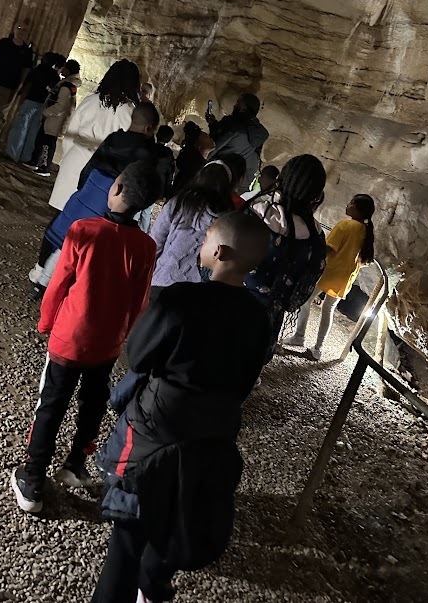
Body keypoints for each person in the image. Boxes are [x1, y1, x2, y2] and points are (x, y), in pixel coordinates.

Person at [91, 212, 271, 603]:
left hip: (159, 423)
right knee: (181, 504)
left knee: (130, 526)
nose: (202, 243)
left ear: (219, 251)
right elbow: (247, 379)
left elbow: (138, 356)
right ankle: (153, 586)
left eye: (206, 238)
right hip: (215, 428)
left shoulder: (181, 298)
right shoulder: (261, 317)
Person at [11, 162, 163, 514]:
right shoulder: (144, 246)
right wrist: (123, 333)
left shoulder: (83, 230)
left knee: (51, 405)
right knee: (93, 402)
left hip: (69, 340)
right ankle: (75, 464)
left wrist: (47, 322)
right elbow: (140, 300)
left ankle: (32, 479)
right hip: (107, 344)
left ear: (118, 190)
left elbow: (58, 284)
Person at [29, 103, 162, 295]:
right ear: (149, 128)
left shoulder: (114, 137)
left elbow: (90, 167)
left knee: (60, 234)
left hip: (89, 189)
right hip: (109, 201)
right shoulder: (148, 153)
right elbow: (139, 184)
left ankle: (40, 278)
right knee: (80, 247)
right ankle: (54, 288)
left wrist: (82, 190)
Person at [245, 154, 327, 361]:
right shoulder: (315, 236)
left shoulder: (258, 212)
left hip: (233, 300)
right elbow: (305, 284)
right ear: (316, 195)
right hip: (270, 315)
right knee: (252, 360)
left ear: (282, 181)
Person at [284, 194, 376, 360]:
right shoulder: (366, 232)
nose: (348, 204)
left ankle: (299, 336)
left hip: (329, 271)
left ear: (358, 209)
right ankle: (318, 348)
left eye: (352, 202)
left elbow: (329, 249)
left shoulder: (345, 225)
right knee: (329, 309)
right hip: (345, 278)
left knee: (306, 300)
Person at [49, 59, 141, 211]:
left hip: (75, 158)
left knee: (63, 211)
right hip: (102, 170)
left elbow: (71, 132)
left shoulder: (91, 100)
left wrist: (66, 158)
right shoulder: (130, 111)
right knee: (85, 217)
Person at [150, 161, 235, 287]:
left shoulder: (178, 203)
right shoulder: (227, 220)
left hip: (162, 278)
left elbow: (155, 241)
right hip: (195, 290)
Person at [5, 53, 65, 163]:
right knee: (33, 131)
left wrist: (21, 100)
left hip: (31, 101)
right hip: (42, 105)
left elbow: (29, 85)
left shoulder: (38, 70)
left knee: (21, 127)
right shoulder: (55, 77)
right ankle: (26, 157)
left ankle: (13, 153)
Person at [0, 20, 34, 141]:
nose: (20, 31)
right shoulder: (4, 43)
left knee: (1, 113)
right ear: (14, 29)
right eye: (19, 28)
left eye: (24, 29)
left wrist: (21, 84)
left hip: (10, 86)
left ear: (27, 33)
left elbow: (26, 69)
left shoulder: (26, 51)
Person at [27, 60, 82, 176]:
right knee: (42, 140)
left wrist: (46, 112)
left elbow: (61, 105)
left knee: (48, 143)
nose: (62, 70)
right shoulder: (68, 84)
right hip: (53, 117)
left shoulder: (67, 86)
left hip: (54, 118)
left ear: (68, 70)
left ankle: (44, 167)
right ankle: (35, 162)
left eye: (64, 68)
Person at [206, 93, 269, 190]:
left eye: (238, 103)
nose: (234, 106)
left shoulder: (232, 122)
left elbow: (214, 145)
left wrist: (202, 162)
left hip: (217, 175)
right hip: (238, 182)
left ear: (243, 107)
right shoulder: (259, 132)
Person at [136, 125, 176, 233]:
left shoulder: (148, 147)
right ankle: (143, 233)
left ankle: (129, 229)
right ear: (169, 140)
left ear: (157, 134)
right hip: (155, 187)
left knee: (136, 208)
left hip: (142, 183)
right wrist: (165, 192)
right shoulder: (168, 155)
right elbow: (169, 175)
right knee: (147, 211)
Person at [171, 121, 215, 194]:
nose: (211, 139)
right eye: (206, 137)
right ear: (198, 145)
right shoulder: (193, 171)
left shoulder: (198, 165)